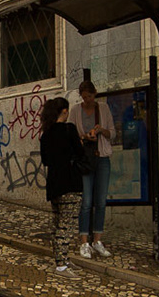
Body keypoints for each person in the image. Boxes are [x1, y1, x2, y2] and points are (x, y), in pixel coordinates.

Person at [38, 98, 88, 272]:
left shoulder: (46, 134)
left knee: (59, 223)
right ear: (64, 111)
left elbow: (45, 160)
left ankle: (64, 259)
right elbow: (80, 153)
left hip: (54, 184)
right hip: (70, 183)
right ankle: (61, 264)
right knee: (66, 226)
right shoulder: (69, 129)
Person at [73, 75, 115, 259]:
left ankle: (97, 240)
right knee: (86, 201)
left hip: (102, 157)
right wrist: (84, 136)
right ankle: (84, 241)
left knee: (101, 201)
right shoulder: (76, 110)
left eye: (89, 97)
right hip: (85, 159)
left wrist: (100, 131)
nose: (87, 100)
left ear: (95, 94)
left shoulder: (103, 108)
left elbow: (112, 133)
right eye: (84, 97)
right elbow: (72, 134)